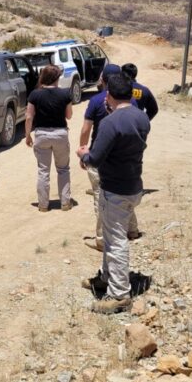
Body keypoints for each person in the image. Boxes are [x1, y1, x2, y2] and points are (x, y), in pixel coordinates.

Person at [76, 73, 150, 314]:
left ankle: (119, 294)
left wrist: (83, 155)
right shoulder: (141, 117)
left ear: (108, 95)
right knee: (110, 237)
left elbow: (95, 158)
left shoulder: (110, 122)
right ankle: (107, 277)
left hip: (115, 190)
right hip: (133, 185)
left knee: (116, 241)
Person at [79, 64, 140, 251]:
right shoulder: (131, 102)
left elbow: (86, 129)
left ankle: (101, 239)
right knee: (124, 193)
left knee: (101, 196)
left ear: (103, 80)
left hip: (100, 155)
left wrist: (83, 152)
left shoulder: (96, 100)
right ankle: (132, 229)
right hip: (125, 155)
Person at [25, 65, 73, 212]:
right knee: (63, 169)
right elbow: (69, 116)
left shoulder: (34, 95)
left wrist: (27, 135)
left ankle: (43, 205)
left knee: (43, 171)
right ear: (56, 78)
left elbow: (29, 117)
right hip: (60, 134)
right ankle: (65, 202)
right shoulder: (65, 94)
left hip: (42, 135)